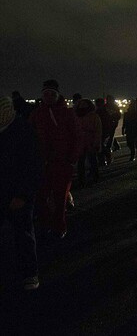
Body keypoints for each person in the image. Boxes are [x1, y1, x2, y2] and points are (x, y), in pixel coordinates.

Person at [30, 80, 81, 239]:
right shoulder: (37, 113)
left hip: (62, 163)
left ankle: (59, 226)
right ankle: (45, 224)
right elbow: (29, 136)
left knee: (60, 198)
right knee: (41, 196)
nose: (49, 97)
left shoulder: (67, 113)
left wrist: (71, 159)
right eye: (46, 94)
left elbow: (77, 136)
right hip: (42, 163)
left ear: (57, 95)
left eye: (52, 94)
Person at [0, 96, 42, 289]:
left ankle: (29, 273)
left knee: (23, 234)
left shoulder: (23, 130)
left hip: (18, 193)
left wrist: (23, 195)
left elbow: (32, 167)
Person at [75, 99, 102, 186]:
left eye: (84, 104)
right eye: (81, 104)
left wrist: (96, 142)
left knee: (92, 160)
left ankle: (95, 177)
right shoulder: (76, 116)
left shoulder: (94, 116)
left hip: (91, 141)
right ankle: (81, 179)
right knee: (80, 162)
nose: (82, 106)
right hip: (80, 142)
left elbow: (98, 130)